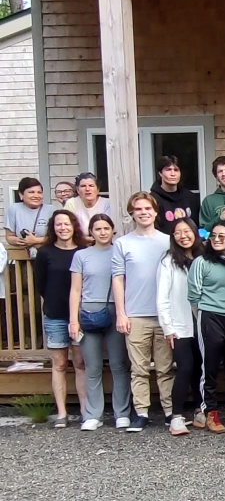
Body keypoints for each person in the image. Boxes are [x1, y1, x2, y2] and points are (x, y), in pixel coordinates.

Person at [111, 192, 173, 432]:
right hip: (135, 313)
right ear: (132, 213)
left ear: (155, 211)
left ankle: (169, 411)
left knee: (166, 367)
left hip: (163, 315)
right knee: (139, 368)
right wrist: (121, 313)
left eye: (148, 208)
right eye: (138, 209)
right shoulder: (123, 243)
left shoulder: (167, 241)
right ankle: (142, 412)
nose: (143, 212)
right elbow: (118, 279)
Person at [69, 214, 131, 431]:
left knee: (118, 363)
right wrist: (73, 320)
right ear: (91, 232)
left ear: (113, 230)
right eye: (98, 228)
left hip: (116, 309)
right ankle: (93, 414)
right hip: (88, 310)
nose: (102, 232)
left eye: (106, 228)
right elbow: (75, 289)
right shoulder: (81, 255)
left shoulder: (120, 250)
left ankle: (121, 412)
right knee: (92, 365)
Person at [188, 220, 225, 434]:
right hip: (209, 315)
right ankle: (210, 410)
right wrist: (202, 316)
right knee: (209, 364)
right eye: (213, 235)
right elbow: (193, 295)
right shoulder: (201, 262)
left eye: (222, 236)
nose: (217, 239)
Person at [34, 209, 88, 427]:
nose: (63, 228)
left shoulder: (84, 251)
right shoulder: (45, 252)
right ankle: (62, 413)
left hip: (80, 316)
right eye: (59, 224)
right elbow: (40, 285)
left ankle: (86, 410)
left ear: (73, 226)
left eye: (66, 224)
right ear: (53, 228)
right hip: (55, 315)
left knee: (80, 363)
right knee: (59, 364)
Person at [157, 216, 204, 436]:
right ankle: (176, 416)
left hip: (203, 322)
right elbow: (162, 297)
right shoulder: (168, 260)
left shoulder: (203, 257)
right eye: (177, 233)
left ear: (194, 233)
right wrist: (168, 327)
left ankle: (199, 409)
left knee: (200, 368)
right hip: (179, 323)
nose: (183, 236)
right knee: (185, 367)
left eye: (187, 231)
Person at [4, 177, 56, 257]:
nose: (36, 196)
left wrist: (35, 240)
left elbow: (57, 237)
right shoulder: (14, 209)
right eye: (31, 192)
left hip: (47, 257)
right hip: (23, 259)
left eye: (39, 192)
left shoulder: (51, 209)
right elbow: (9, 236)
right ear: (21, 195)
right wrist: (20, 241)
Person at [149, 155, 200, 233]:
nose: (173, 174)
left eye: (176, 170)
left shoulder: (190, 197)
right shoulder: (153, 199)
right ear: (160, 173)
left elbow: (197, 225)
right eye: (168, 170)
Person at [64, 172, 111, 239]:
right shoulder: (72, 203)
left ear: (97, 189)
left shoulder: (107, 203)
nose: (87, 189)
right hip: (78, 242)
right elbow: (67, 227)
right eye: (83, 186)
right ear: (78, 190)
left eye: (91, 186)